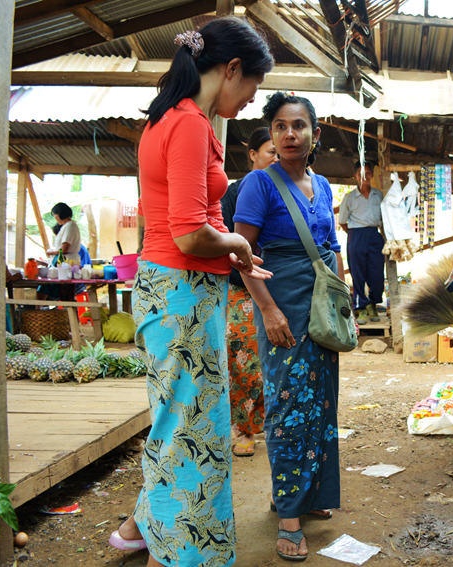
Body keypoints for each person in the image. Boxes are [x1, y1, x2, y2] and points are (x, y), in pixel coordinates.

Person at [107, 17, 273, 567]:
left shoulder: (171, 118)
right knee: (192, 433)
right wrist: (238, 244)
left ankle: (146, 532)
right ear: (231, 69)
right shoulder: (188, 124)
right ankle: (178, 556)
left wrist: (231, 252)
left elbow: (195, 220)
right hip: (181, 292)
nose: (252, 99)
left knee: (180, 422)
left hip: (176, 290)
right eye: (253, 85)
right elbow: (188, 232)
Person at [233, 93, 342, 562]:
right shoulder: (259, 184)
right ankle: (289, 518)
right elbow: (241, 256)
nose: (289, 134)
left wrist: (343, 305)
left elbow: (332, 248)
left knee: (320, 402)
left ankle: (308, 494)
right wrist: (269, 311)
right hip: (281, 302)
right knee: (288, 406)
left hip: (320, 305)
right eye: (280, 126)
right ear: (272, 134)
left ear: (315, 133)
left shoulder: (324, 186)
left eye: (299, 125)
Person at [220, 126, 278, 457]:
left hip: (281, 287)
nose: (277, 158)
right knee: (243, 356)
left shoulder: (293, 190)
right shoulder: (233, 193)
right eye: (271, 152)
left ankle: (273, 423)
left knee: (279, 357)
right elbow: (226, 241)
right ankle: (243, 427)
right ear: (253, 154)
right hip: (242, 288)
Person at [337, 161, 385, 325]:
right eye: (360, 174)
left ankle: (373, 304)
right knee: (358, 274)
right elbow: (342, 221)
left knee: (377, 273)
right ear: (355, 177)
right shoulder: (349, 197)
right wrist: (354, 235)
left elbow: (385, 218)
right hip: (356, 235)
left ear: (372, 175)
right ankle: (361, 308)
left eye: (368, 173)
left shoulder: (378, 195)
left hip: (374, 235)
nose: (365, 177)